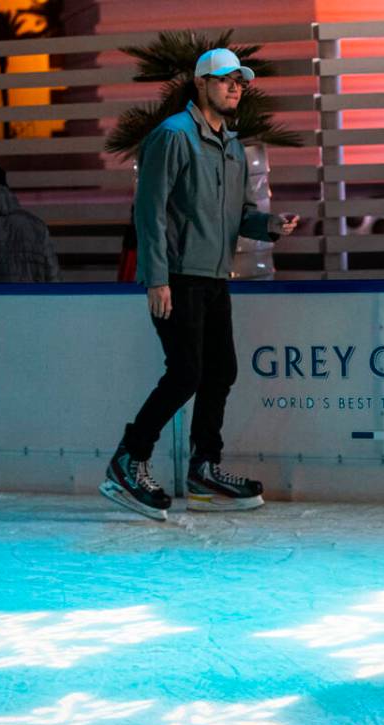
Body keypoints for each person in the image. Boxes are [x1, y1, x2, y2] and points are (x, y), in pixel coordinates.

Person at [99, 48, 300, 522]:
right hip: (178, 276)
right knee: (185, 373)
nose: (236, 87)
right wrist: (157, 277)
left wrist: (270, 225)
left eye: (240, 82)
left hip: (213, 278)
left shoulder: (230, 145)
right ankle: (129, 459)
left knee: (221, 371)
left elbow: (232, 216)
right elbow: (148, 211)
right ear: (202, 83)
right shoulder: (172, 136)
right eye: (226, 79)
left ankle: (203, 469)